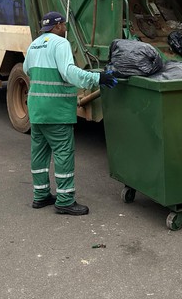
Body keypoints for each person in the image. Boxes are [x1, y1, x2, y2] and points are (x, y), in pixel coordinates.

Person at [23, 11, 117, 216]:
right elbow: (69, 72)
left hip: (36, 108)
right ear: (56, 27)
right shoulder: (60, 43)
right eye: (64, 25)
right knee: (63, 153)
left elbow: (27, 70)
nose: (66, 28)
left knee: (39, 153)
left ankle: (41, 195)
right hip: (55, 110)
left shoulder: (34, 45)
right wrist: (98, 78)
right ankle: (65, 200)